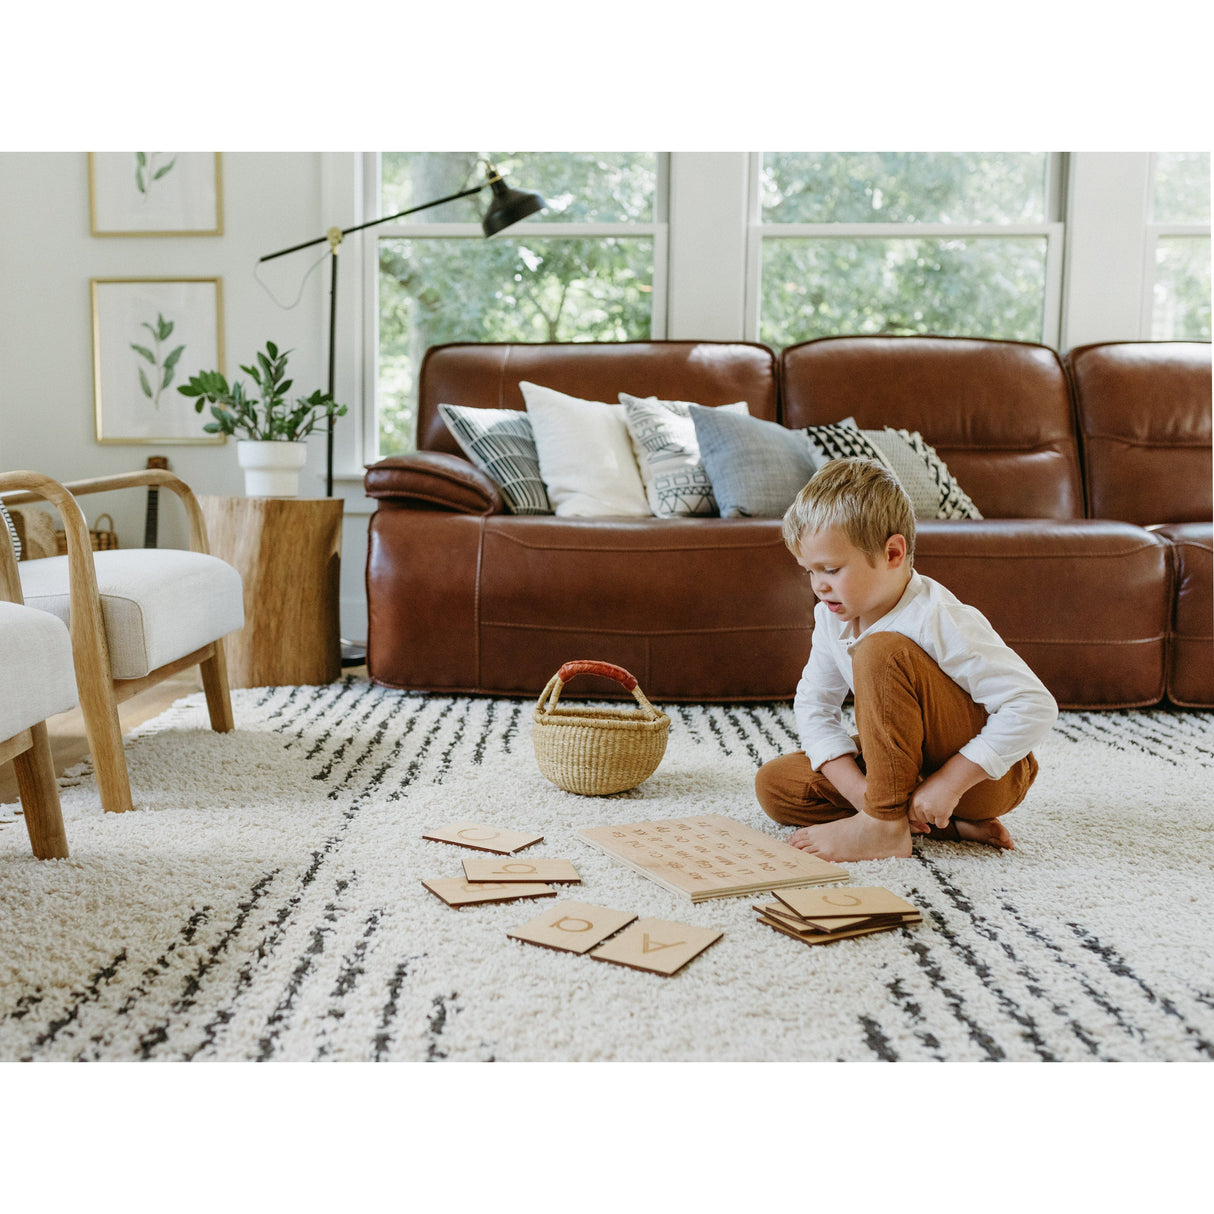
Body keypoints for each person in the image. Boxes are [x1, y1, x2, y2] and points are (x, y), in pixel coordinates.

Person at [755, 458, 1058, 862]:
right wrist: (861, 794)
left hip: (981, 779)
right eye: (810, 572)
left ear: (893, 553)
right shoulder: (831, 615)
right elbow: (814, 705)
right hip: (904, 771)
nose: (819, 586)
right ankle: (933, 823)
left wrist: (949, 783)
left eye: (830, 569)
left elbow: (1034, 705)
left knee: (880, 650)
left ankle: (883, 828)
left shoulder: (938, 617)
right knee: (775, 786)